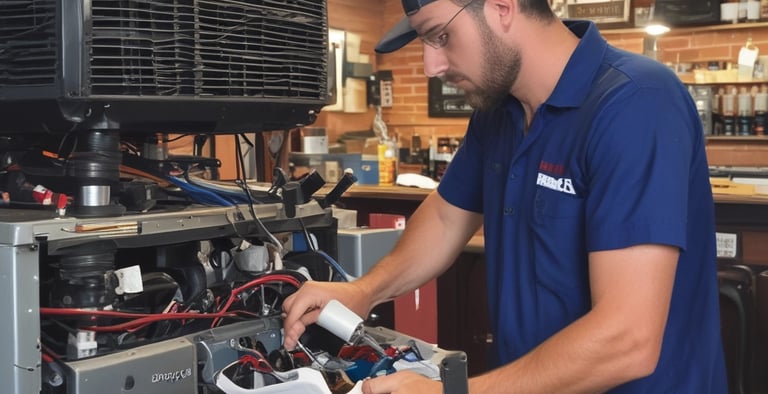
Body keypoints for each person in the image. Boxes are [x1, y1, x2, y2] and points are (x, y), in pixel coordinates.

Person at [283, 0, 727, 392]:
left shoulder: (637, 102)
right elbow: (446, 218)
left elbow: (627, 339)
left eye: (441, 36)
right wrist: (363, 291)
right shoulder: (498, 113)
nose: (431, 66)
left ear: (502, 7)